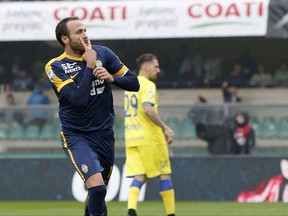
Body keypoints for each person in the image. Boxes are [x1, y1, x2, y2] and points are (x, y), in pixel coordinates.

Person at [44, 16, 139, 216]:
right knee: (97, 188)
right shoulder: (55, 66)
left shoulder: (103, 53)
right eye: (78, 32)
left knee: (98, 193)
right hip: (77, 135)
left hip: (104, 134)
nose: (85, 35)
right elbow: (78, 100)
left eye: (85, 30)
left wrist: (112, 78)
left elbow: (134, 83)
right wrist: (89, 65)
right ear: (65, 39)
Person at [124, 54, 176, 216]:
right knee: (164, 173)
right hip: (150, 138)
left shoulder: (129, 86)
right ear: (145, 67)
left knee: (140, 175)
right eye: (156, 67)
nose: (158, 70)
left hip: (131, 137)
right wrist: (165, 128)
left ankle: (131, 210)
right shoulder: (148, 85)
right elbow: (147, 109)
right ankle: (171, 214)